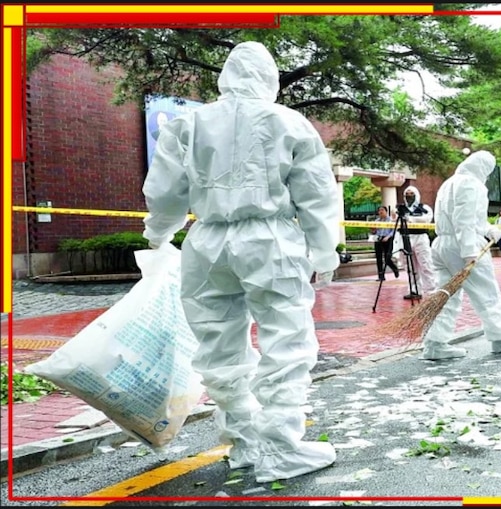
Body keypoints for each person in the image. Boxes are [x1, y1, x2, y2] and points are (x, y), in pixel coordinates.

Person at [141, 41, 339, 482]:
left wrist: (158, 233)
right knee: (286, 341)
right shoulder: (289, 122)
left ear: (225, 77)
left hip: (206, 241)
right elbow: (317, 192)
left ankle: (245, 443)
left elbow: (165, 188)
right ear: (268, 78)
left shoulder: (189, 123)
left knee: (218, 346)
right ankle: (282, 448)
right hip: (269, 239)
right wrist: (325, 249)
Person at [421, 151, 501, 360]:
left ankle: (435, 343)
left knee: (445, 296)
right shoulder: (472, 184)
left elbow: (467, 219)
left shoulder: (449, 183)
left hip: (442, 245)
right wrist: (469, 251)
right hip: (462, 246)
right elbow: (464, 220)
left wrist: (489, 230)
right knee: (487, 293)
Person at [396, 185, 436, 298]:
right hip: (405, 237)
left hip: (420, 237)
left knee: (425, 263)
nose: (409, 196)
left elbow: (427, 219)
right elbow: (395, 219)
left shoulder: (424, 208)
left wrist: (411, 219)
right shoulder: (401, 208)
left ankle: (431, 289)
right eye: (407, 194)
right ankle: (414, 289)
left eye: (411, 194)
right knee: (409, 266)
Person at [372, 206, 400, 282]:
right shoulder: (376, 221)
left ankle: (394, 269)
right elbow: (374, 232)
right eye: (379, 210)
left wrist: (387, 237)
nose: (380, 212)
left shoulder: (390, 220)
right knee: (379, 258)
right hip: (378, 239)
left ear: (386, 211)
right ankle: (381, 276)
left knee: (387, 257)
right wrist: (373, 230)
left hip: (388, 239)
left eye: (382, 210)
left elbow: (393, 231)